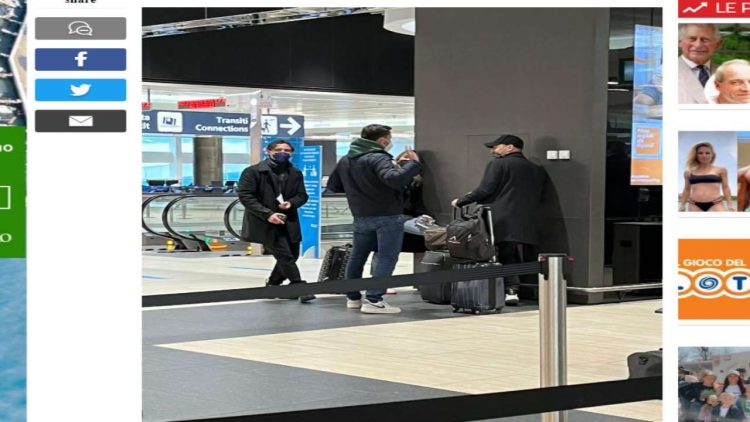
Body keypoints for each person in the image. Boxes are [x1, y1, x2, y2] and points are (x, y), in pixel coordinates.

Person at [327, 124, 422, 314]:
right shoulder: (378, 157)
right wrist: (413, 164)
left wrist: (361, 190)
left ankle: (353, 297)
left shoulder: (346, 159)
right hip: (387, 215)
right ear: (382, 140)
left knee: (357, 256)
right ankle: (374, 299)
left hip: (361, 216)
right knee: (387, 257)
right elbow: (394, 179)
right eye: (389, 138)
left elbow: (334, 185)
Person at [451, 134, 546, 306]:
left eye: (496, 146)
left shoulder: (498, 164)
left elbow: (485, 189)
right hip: (528, 217)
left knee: (503, 252)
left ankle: (510, 290)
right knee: (513, 252)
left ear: (510, 147)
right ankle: (516, 289)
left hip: (501, 217)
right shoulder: (535, 168)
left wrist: (461, 201)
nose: (492, 150)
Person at [237, 139, 315, 303]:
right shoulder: (253, 172)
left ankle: (273, 285)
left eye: (287, 150)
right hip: (265, 221)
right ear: (269, 151)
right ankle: (299, 286)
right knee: (284, 255)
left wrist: (292, 203)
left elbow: (302, 195)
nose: (283, 153)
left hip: (289, 220)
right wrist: (267, 214)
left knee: (291, 255)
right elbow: (246, 196)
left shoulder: (295, 173)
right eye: (279, 149)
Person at [679, 142, 734, 212]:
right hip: (694, 204)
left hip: (715, 203)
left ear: (712, 155)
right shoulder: (688, 172)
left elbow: (725, 187)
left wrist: (730, 204)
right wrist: (682, 205)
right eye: (700, 153)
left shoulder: (721, 170)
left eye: (707, 153)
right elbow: (687, 189)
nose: (704, 155)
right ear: (696, 155)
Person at [678, 24, 723, 104]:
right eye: (692, 39)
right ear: (679, 42)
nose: (698, 45)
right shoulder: (662, 72)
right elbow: (649, 108)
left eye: (705, 39)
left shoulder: (725, 73)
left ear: (718, 44)